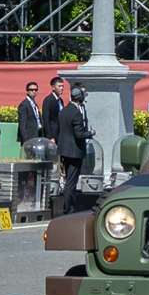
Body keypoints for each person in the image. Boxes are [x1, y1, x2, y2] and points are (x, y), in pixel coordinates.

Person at [48, 76, 91, 212]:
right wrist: (90, 133)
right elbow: (79, 134)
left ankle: (69, 206)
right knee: (71, 182)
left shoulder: (64, 111)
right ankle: (68, 208)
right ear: (80, 97)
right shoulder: (76, 113)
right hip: (74, 151)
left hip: (65, 150)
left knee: (68, 179)